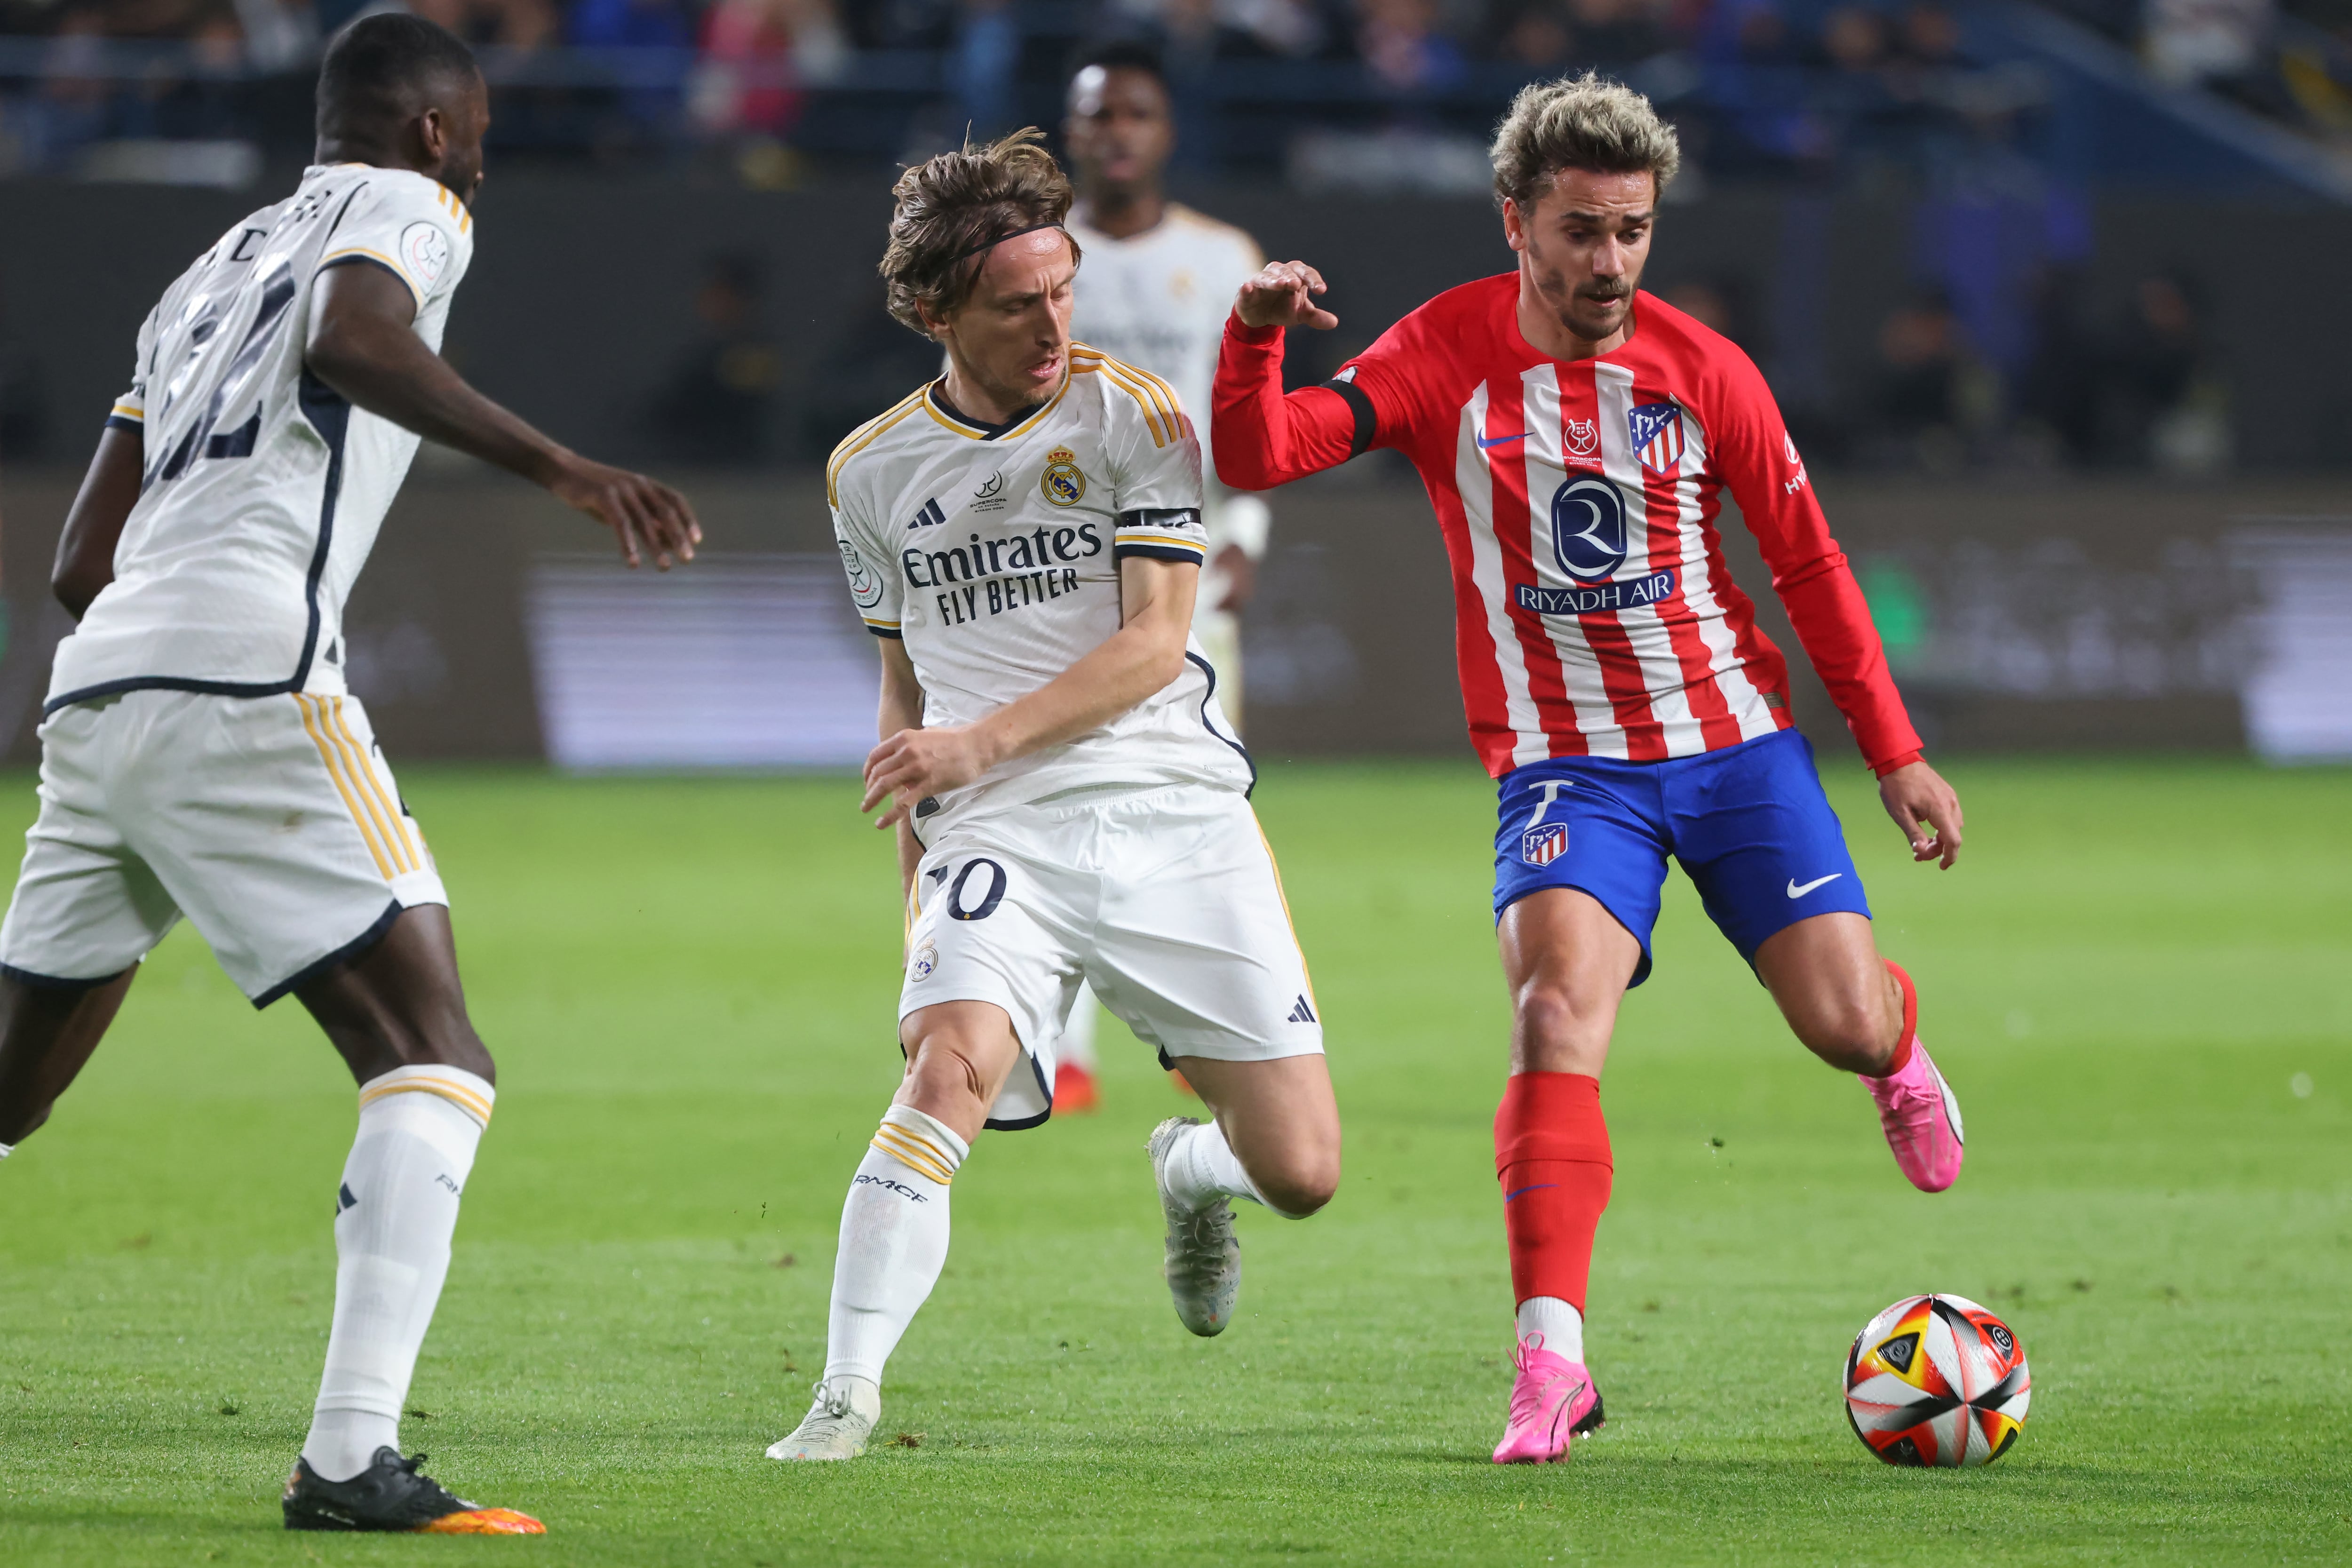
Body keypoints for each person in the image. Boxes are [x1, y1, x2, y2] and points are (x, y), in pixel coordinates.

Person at [0, 14, 699, 1533]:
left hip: (103, 677)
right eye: (485, 132)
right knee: (433, 1056)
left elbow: (77, 562)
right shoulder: (407, 208)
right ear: (436, 131)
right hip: (245, 676)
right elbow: (351, 341)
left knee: (7, 1090)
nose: (485, 159)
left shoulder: (199, 276)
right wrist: (564, 468)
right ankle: (348, 1460)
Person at [1211, 72, 1968, 1466]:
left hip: (1733, 748)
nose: (1608, 262)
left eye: (1631, 231)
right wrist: (1252, 337)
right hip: (1568, 767)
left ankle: (1898, 1049)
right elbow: (1258, 447)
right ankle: (1550, 1360)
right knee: (1556, 1010)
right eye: (1580, 231)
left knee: (1843, 1023)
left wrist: (1898, 754)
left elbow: (1805, 562)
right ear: (1518, 222)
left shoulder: (1708, 370)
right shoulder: (1441, 352)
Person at [771, 128, 1339, 1462]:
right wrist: (912, 890)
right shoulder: (870, 472)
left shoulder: (1134, 414)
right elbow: (904, 701)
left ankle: (1194, 1169)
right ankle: (843, 1394)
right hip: (998, 830)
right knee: (945, 1065)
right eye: (1018, 303)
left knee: (1303, 1170)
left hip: (1168, 800)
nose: (1053, 324)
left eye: (1064, 289)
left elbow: (1155, 647)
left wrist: (977, 747)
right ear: (934, 313)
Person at [1053, 41, 1276, 1112]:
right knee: (1050, 796)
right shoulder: (1039, 259)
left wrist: (1248, 529)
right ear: (1072, 132)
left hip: (1185, 569)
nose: (1117, 133)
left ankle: (1199, 1031)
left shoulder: (1224, 255)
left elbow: (1249, 409)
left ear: (1166, 130)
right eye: (1098, 116)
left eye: (1135, 113)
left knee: (1194, 803)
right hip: (1058, 572)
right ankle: (1059, 1051)